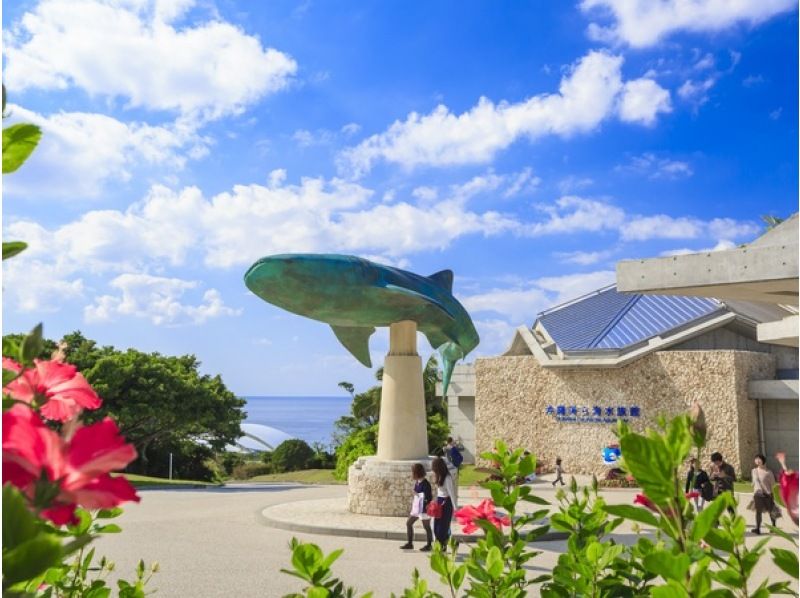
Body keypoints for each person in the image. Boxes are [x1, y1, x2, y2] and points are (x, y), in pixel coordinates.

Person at [400, 463, 433, 551]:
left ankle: (429, 545)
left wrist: (418, 495)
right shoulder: (418, 482)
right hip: (417, 508)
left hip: (424, 509)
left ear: (417, 472)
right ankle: (410, 543)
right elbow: (417, 493)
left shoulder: (426, 484)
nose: (412, 474)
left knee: (427, 527)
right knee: (409, 523)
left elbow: (428, 497)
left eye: (413, 472)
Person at [431, 456, 457, 548]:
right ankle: (440, 544)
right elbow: (439, 492)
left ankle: (442, 546)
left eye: (434, 468)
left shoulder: (447, 478)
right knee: (436, 525)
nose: (433, 471)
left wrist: (455, 508)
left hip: (446, 503)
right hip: (439, 502)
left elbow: (451, 493)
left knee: (443, 527)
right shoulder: (439, 476)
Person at [751, 453, 778, 535]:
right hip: (758, 495)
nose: (757, 460)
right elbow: (754, 481)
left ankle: (773, 527)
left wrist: (773, 495)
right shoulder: (754, 471)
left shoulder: (768, 472)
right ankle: (758, 528)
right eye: (756, 459)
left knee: (771, 511)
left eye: (759, 459)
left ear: (763, 461)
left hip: (767, 494)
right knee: (758, 512)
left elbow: (773, 485)